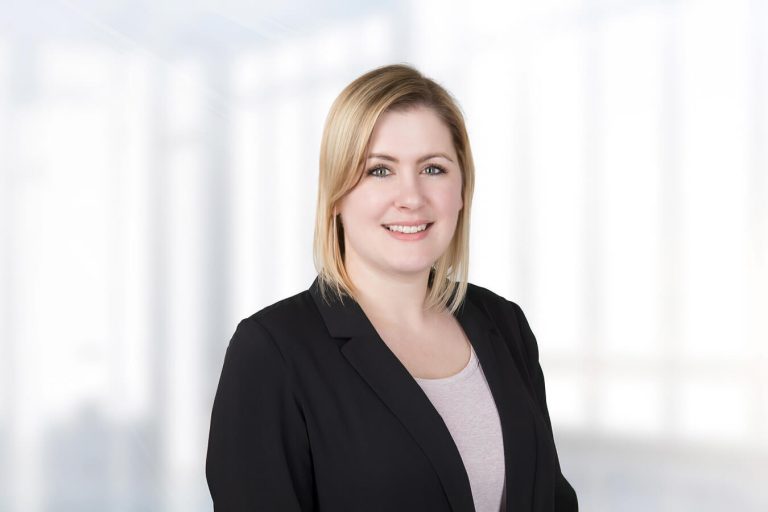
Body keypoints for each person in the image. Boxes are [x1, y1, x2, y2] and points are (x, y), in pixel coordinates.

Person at [205, 63, 578, 512]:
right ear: (338, 193)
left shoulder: (504, 324)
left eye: (434, 169)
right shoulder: (272, 351)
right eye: (380, 170)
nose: (412, 196)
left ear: (462, 189)